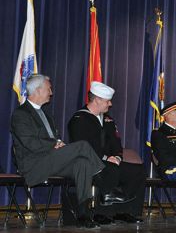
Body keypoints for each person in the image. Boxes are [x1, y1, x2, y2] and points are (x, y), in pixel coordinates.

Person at [11, 75, 105, 228]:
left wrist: (58, 143)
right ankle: (105, 184)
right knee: (82, 146)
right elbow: (29, 142)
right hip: (34, 166)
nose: (51, 92)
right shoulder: (21, 114)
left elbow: (54, 139)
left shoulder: (46, 115)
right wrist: (53, 144)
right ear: (38, 90)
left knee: (83, 163)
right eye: (49, 88)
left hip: (51, 161)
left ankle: (83, 214)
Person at [68, 81, 146, 224]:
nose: (110, 104)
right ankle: (101, 213)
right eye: (107, 101)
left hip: (109, 162)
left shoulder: (108, 120)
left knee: (138, 171)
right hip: (88, 162)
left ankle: (125, 211)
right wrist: (105, 158)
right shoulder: (79, 119)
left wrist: (116, 156)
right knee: (110, 169)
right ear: (97, 100)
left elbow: (116, 143)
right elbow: (82, 147)